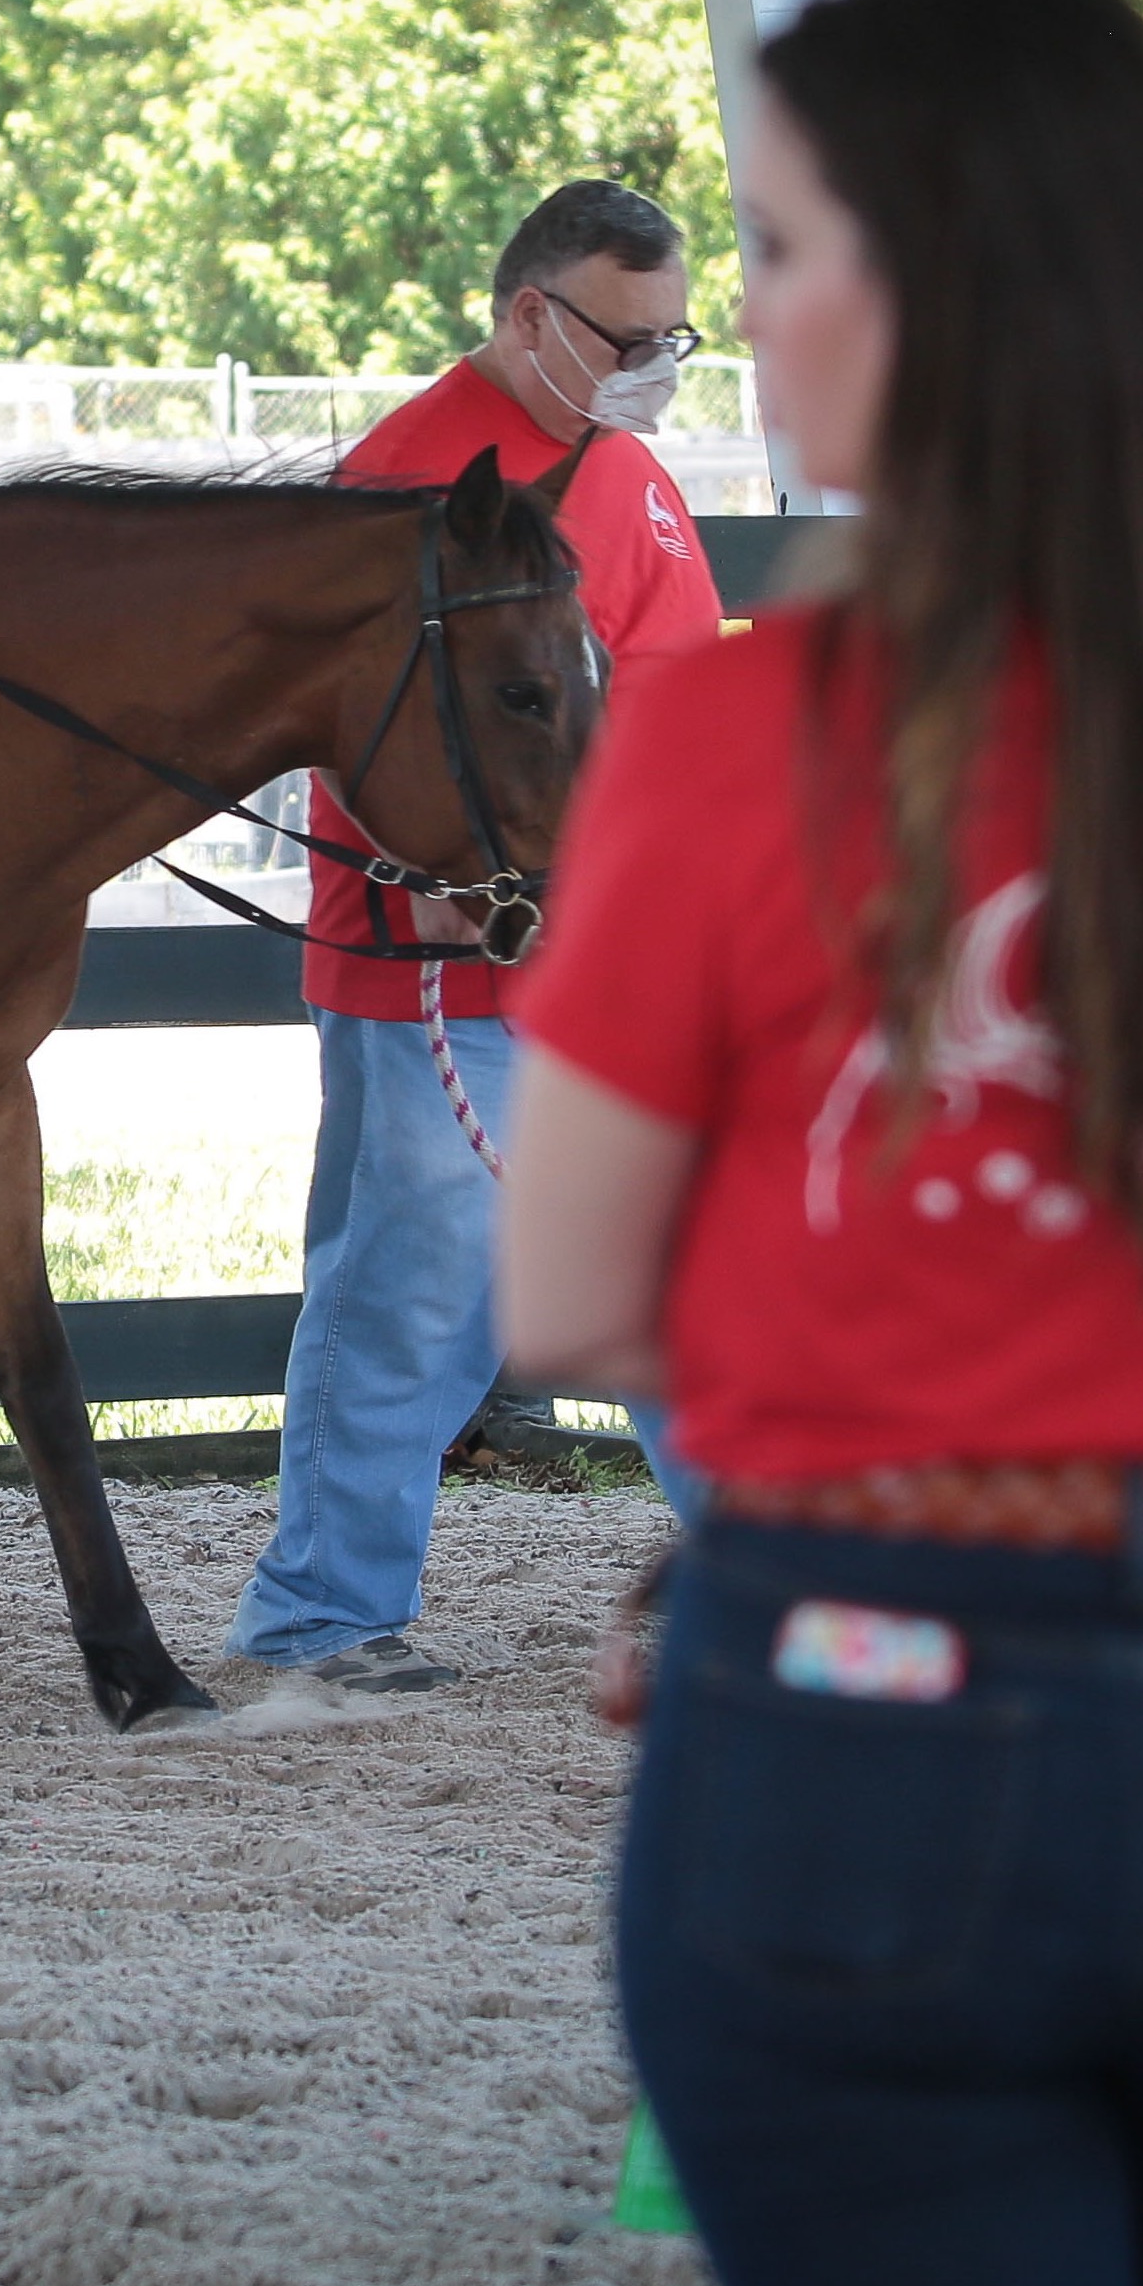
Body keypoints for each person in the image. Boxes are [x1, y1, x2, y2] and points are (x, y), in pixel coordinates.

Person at [505, 0, 1143, 2286]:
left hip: (870, 1714)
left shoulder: (747, 726)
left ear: (941, 290)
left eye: (786, 250)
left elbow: (572, 1292)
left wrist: (880, 1328)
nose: (752, 321)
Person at [224, 181, 725, 1693]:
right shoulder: (409, 481)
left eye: (674, 333)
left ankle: (762, 1589)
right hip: (445, 962)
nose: (656, 359)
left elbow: (678, 685)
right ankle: (321, 1616)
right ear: (530, 315)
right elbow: (346, 729)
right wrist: (424, 876)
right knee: (414, 1285)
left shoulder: (615, 458)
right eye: (630, 333)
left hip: (620, 954)